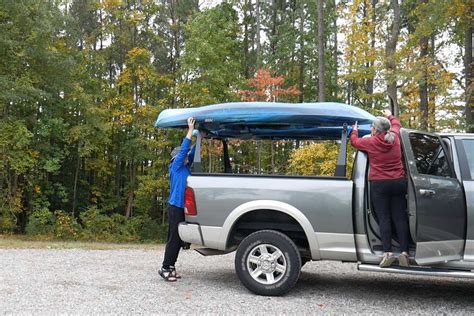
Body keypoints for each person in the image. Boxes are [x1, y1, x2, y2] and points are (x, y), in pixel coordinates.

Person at [350, 109, 409, 268]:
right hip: (398, 182)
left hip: (380, 184)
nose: (370, 129)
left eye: (372, 127)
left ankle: (387, 253)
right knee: (400, 217)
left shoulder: (371, 142)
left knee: (384, 218)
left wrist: (354, 129)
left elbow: (354, 141)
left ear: (376, 130)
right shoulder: (395, 137)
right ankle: (404, 252)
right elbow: (397, 124)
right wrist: (389, 114)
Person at [159, 117, 196, 282]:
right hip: (175, 207)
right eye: (184, 155)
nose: (187, 156)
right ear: (176, 158)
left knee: (180, 239)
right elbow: (184, 150)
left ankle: (171, 267)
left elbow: (194, 150)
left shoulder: (186, 167)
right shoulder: (176, 167)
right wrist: (190, 130)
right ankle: (165, 268)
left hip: (183, 207)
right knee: (174, 238)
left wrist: (201, 135)